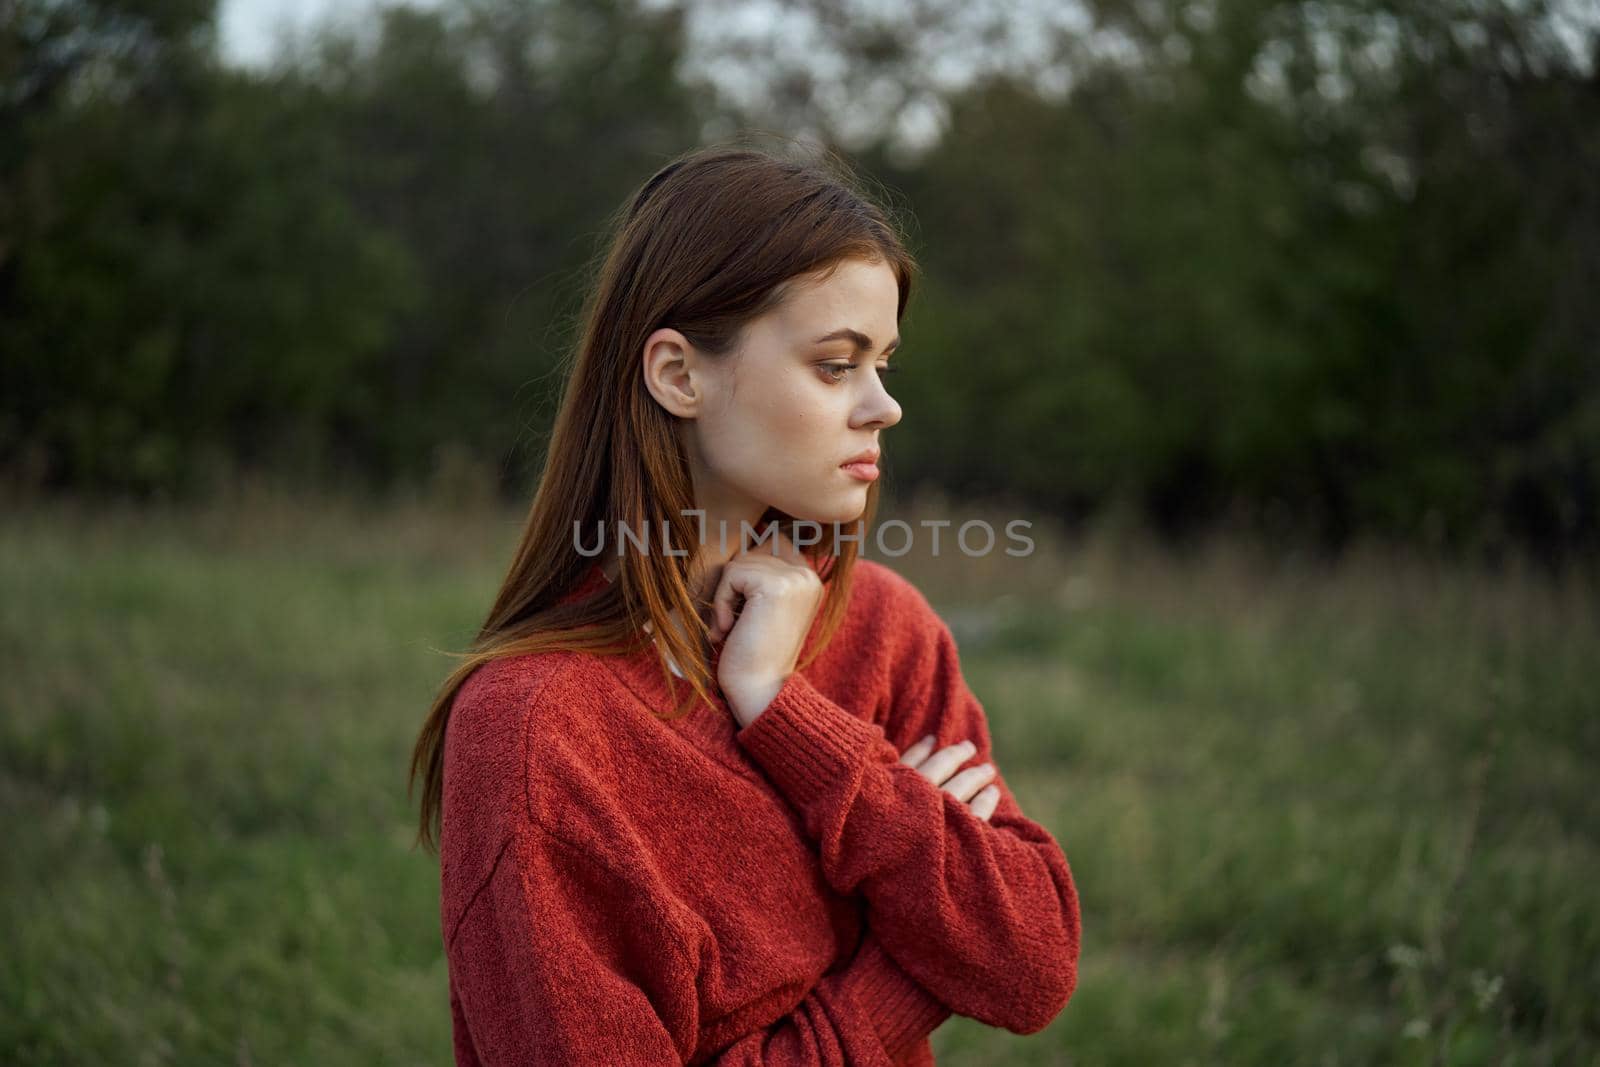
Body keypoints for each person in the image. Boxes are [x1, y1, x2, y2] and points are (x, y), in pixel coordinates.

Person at [409, 138, 1081, 1066]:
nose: (883, 405)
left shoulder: (886, 629)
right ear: (679, 375)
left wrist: (784, 710)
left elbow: (1030, 964)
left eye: (885, 363)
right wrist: (906, 955)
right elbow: (969, 956)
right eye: (836, 364)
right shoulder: (535, 732)